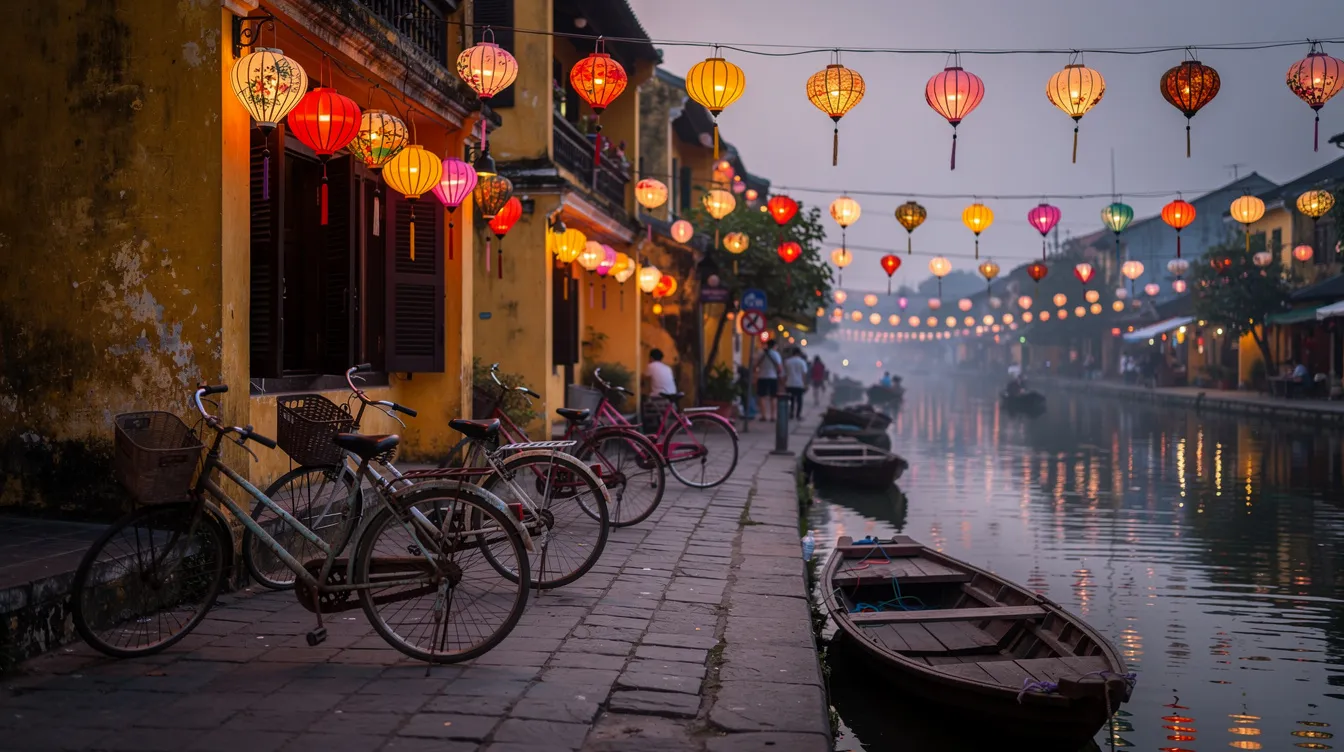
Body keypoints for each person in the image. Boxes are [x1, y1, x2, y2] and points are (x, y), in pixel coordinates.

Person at [753, 339, 784, 422]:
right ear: (775, 346)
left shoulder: (760, 353)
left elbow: (755, 366)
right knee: (773, 397)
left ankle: (763, 416)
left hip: (762, 377)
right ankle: (772, 416)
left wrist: (755, 375)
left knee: (761, 396)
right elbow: (780, 368)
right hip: (773, 377)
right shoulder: (776, 354)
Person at [784, 347, 809, 419]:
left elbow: (785, 374)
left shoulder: (787, 361)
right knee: (799, 400)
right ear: (799, 354)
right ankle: (798, 415)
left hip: (789, 383)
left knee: (790, 400)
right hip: (799, 384)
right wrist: (804, 384)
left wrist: (784, 383)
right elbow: (804, 374)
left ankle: (791, 413)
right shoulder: (802, 362)